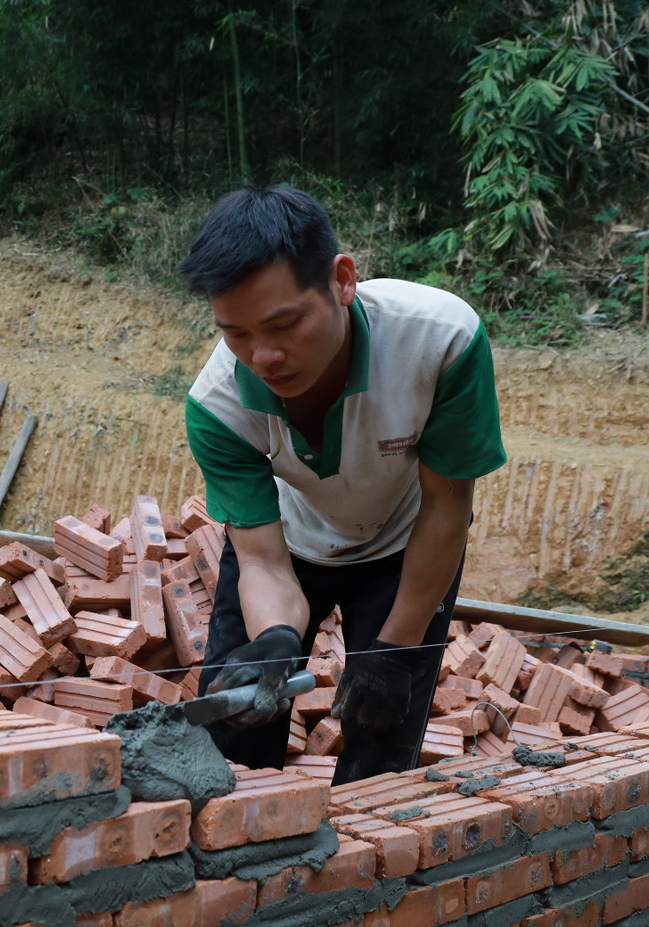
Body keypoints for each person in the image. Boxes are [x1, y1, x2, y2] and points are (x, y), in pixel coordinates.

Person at [178, 185, 506, 785]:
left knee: (380, 741)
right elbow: (260, 558)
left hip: (405, 544)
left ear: (342, 281)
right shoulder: (217, 407)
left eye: (284, 324)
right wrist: (275, 637)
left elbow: (447, 507)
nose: (264, 357)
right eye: (236, 334)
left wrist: (395, 650)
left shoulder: (440, 341)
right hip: (288, 546)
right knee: (234, 729)